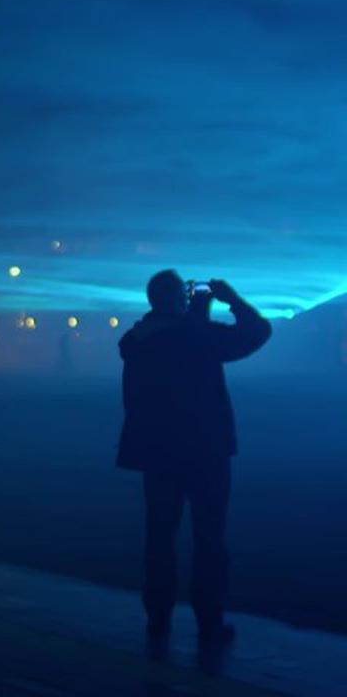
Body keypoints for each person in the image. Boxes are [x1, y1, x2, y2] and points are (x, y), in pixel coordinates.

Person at [118, 271, 271, 651]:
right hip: (205, 450)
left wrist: (195, 313)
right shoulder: (197, 335)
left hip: (157, 451)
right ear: (179, 299)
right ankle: (209, 622)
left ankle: (158, 619)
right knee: (209, 538)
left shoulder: (137, 339)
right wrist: (231, 299)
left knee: (159, 536)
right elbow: (257, 333)